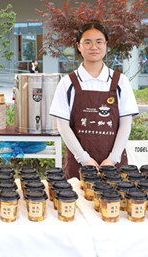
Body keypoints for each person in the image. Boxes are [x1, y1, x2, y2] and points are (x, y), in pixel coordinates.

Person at [49, 22, 138, 179]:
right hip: (78, 165)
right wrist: (84, 159)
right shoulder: (67, 83)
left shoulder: (120, 81)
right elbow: (62, 126)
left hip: (113, 166)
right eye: (87, 42)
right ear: (79, 46)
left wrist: (112, 159)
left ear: (106, 45)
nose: (94, 47)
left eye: (99, 42)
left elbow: (125, 123)